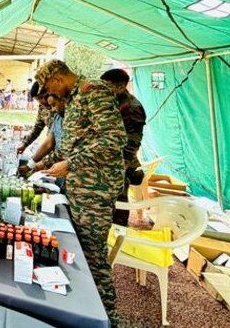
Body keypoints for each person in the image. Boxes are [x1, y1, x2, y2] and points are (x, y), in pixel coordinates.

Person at [34, 60, 126, 325]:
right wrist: (43, 164)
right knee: (82, 251)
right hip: (80, 187)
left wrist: (71, 164)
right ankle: (85, 312)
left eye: (48, 86)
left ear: (57, 78)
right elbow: (71, 146)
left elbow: (114, 138)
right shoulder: (74, 101)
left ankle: (108, 319)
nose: (49, 94)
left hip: (95, 189)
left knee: (94, 257)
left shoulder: (92, 91)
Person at [101, 68, 147, 226]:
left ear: (120, 87)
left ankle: (118, 231)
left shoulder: (132, 107)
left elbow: (132, 142)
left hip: (122, 164)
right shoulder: (113, 102)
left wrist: (119, 168)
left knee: (119, 202)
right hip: (109, 162)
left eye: (106, 86)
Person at [16, 82, 53, 154]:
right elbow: (37, 127)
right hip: (51, 147)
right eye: (38, 100)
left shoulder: (60, 106)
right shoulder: (42, 107)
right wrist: (25, 144)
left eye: (41, 98)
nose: (41, 102)